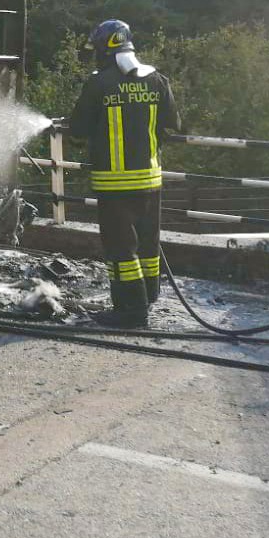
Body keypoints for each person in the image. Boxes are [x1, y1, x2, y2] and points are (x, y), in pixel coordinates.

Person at [67, 19, 182, 327]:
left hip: (114, 183)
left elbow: (77, 132)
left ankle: (130, 311)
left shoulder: (98, 83)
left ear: (105, 48)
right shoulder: (157, 79)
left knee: (121, 249)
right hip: (150, 180)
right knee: (147, 243)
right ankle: (148, 296)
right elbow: (173, 125)